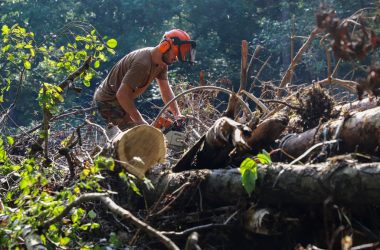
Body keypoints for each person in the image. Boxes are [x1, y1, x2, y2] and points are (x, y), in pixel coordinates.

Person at [93, 29, 196, 130]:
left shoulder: (162, 64)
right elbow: (122, 95)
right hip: (108, 101)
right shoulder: (142, 63)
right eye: (175, 54)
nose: (176, 59)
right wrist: (141, 122)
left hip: (121, 100)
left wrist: (177, 114)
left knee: (143, 132)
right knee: (136, 137)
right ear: (165, 46)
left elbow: (165, 90)